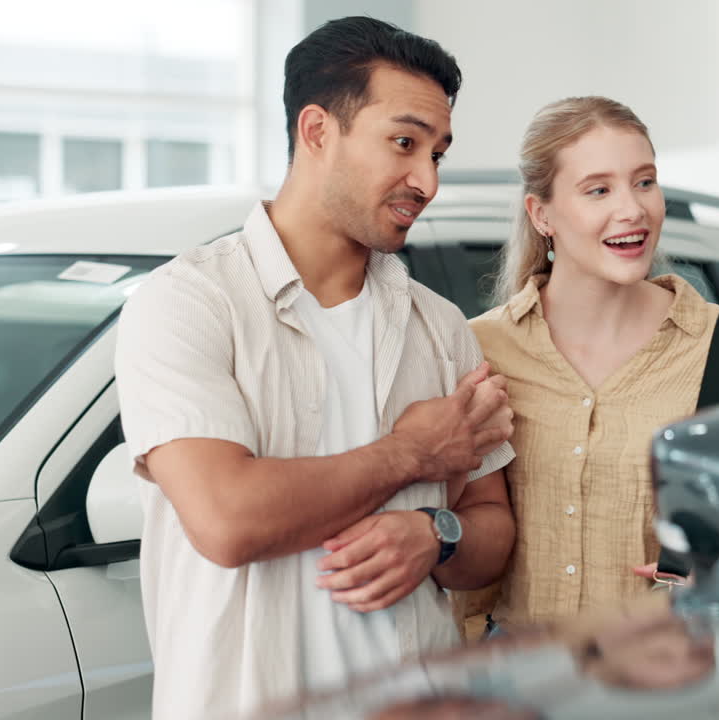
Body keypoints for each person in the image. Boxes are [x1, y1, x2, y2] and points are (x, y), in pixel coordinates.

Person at [114, 17, 516, 719]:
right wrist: (413, 454)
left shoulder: (442, 328)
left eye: (437, 154)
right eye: (403, 142)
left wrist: (436, 534)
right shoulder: (188, 302)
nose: (426, 180)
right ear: (318, 131)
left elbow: (491, 533)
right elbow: (229, 521)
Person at [459, 96, 719, 634]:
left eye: (644, 181)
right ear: (541, 215)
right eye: (598, 190)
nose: (633, 209)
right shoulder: (478, 350)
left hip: (668, 680)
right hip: (516, 687)